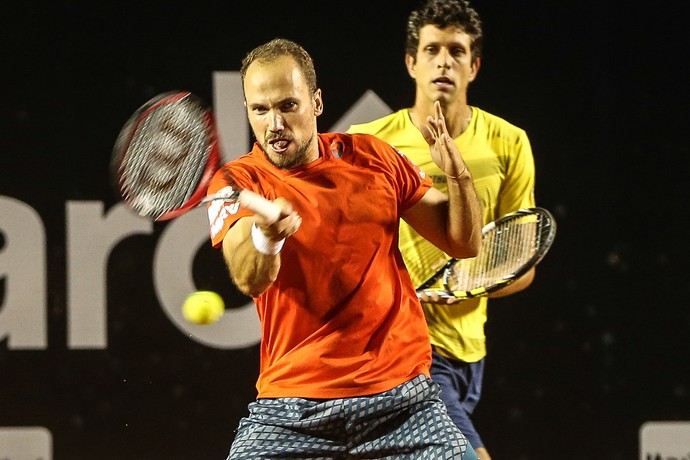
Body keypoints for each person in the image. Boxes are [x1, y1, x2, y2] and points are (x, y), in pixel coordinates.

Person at [206, 37, 484, 459]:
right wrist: (267, 236)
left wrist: (459, 175)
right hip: (291, 411)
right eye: (259, 110)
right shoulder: (232, 183)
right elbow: (249, 277)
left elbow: (463, 242)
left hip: (404, 404)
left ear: (316, 102)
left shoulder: (374, 158)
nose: (274, 124)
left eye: (287, 106)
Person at [347, 1, 537, 459]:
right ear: (412, 63)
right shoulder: (369, 143)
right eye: (432, 49)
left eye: (456, 51)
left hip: (469, 352)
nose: (443, 61)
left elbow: (523, 264)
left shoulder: (509, 142)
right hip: (402, 349)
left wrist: (471, 286)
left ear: (473, 66)